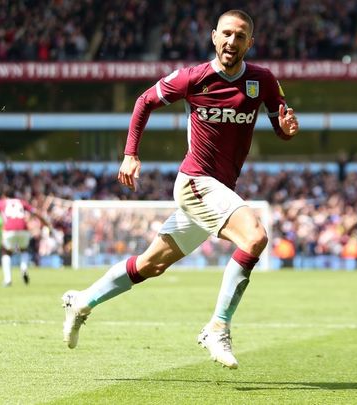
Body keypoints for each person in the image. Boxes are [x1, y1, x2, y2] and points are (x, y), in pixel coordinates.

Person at [62, 9, 299, 369]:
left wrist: (287, 129)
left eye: (240, 36)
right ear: (214, 37)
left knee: (150, 265)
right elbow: (145, 101)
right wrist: (130, 154)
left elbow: (281, 126)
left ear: (250, 42)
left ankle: (82, 301)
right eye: (226, 34)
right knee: (254, 237)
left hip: (217, 190)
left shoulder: (262, 81)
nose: (232, 41)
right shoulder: (193, 78)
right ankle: (217, 327)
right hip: (195, 182)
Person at [0, 190, 51, 287]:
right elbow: (35, 212)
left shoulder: (2, 202)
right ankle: (24, 268)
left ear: (3, 195)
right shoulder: (21, 202)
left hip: (9, 229)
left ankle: (8, 279)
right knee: (23, 250)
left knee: (6, 252)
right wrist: (46, 223)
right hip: (23, 229)